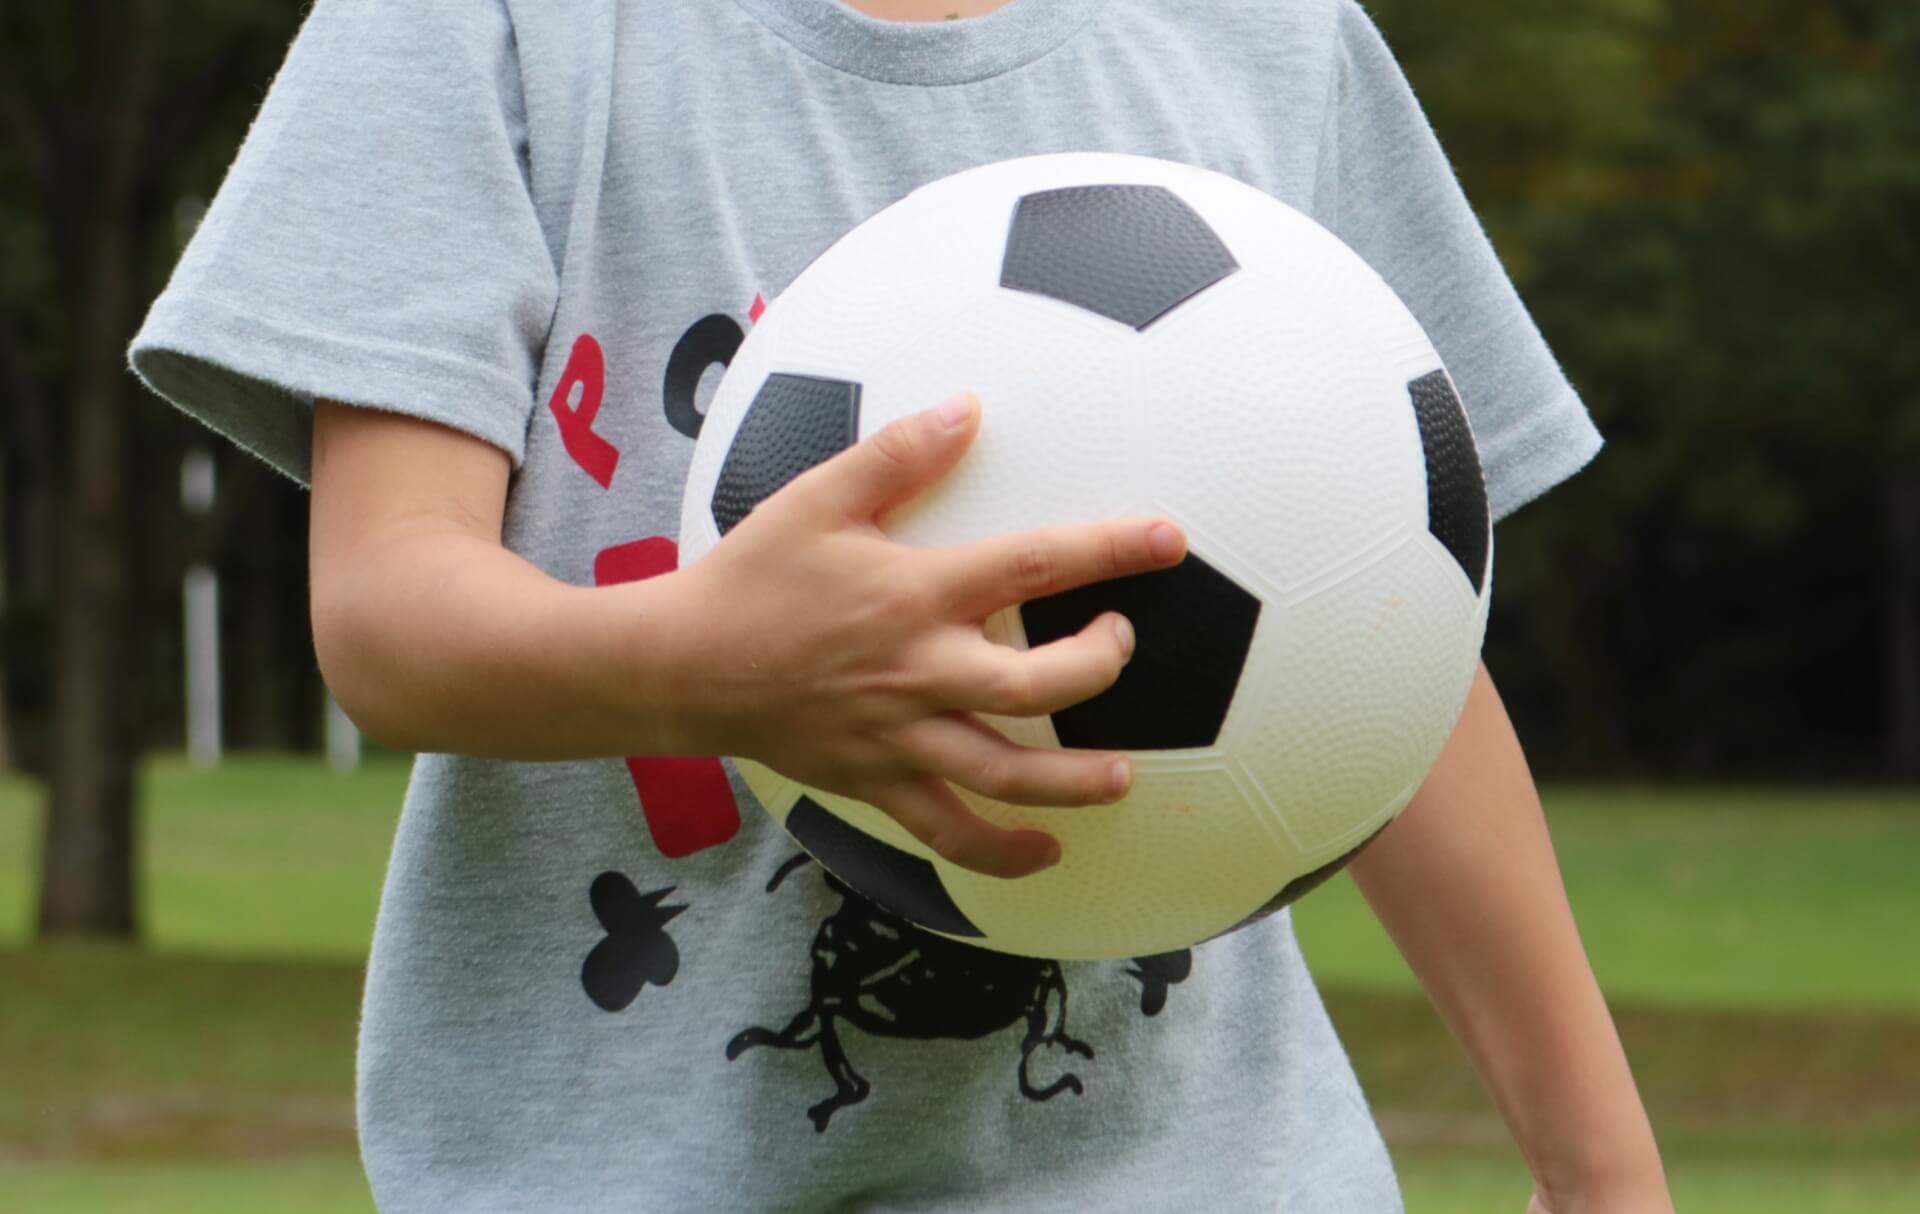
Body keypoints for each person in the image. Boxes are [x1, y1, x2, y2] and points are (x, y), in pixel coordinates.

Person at [131, 0, 1672, 1209]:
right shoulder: (483, 26)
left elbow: (1393, 638)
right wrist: (711, 663)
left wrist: (1601, 1168)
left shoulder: (1263, 34)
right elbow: (387, 614)